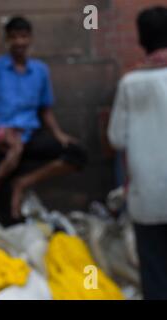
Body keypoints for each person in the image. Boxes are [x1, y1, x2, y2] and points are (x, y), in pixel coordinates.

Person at [0, 16, 87, 226]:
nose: (19, 42)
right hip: (0, 140)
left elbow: (45, 111)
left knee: (76, 152)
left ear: (30, 39)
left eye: (23, 36)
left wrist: (59, 134)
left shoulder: (40, 71)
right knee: (8, 216)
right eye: (14, 37)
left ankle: (22, 183)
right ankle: (5, 189)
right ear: (7, 40)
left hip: (30, 136)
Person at [108, 6, 167, 300]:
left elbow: (117, 138)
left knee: (155, 272)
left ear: (141, 41)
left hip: (148, 198)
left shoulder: (130, 84)